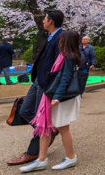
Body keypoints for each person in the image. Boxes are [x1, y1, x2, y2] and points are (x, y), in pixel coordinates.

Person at [19, 30, 82, 173]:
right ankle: (41, 159)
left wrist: (57, 97)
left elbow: (65, 78)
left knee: (63, 127)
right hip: (57, 96)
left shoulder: (68, 57)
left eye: (62, 39)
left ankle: (71, 157)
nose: (59, 41)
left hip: (63, 97)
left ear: (66, 41)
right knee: (46, 125)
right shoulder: (65, 55)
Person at [8, 10, 64, 166]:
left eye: (45, 19)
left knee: (41, 118)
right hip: (38, 80)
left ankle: (33, 153)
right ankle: (49, 130)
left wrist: (53, 86)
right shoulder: (51, 36)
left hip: (47, 82)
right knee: (25, 110)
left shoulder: (61, 37)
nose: (43, 21)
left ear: (51, 21)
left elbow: (61, 64)